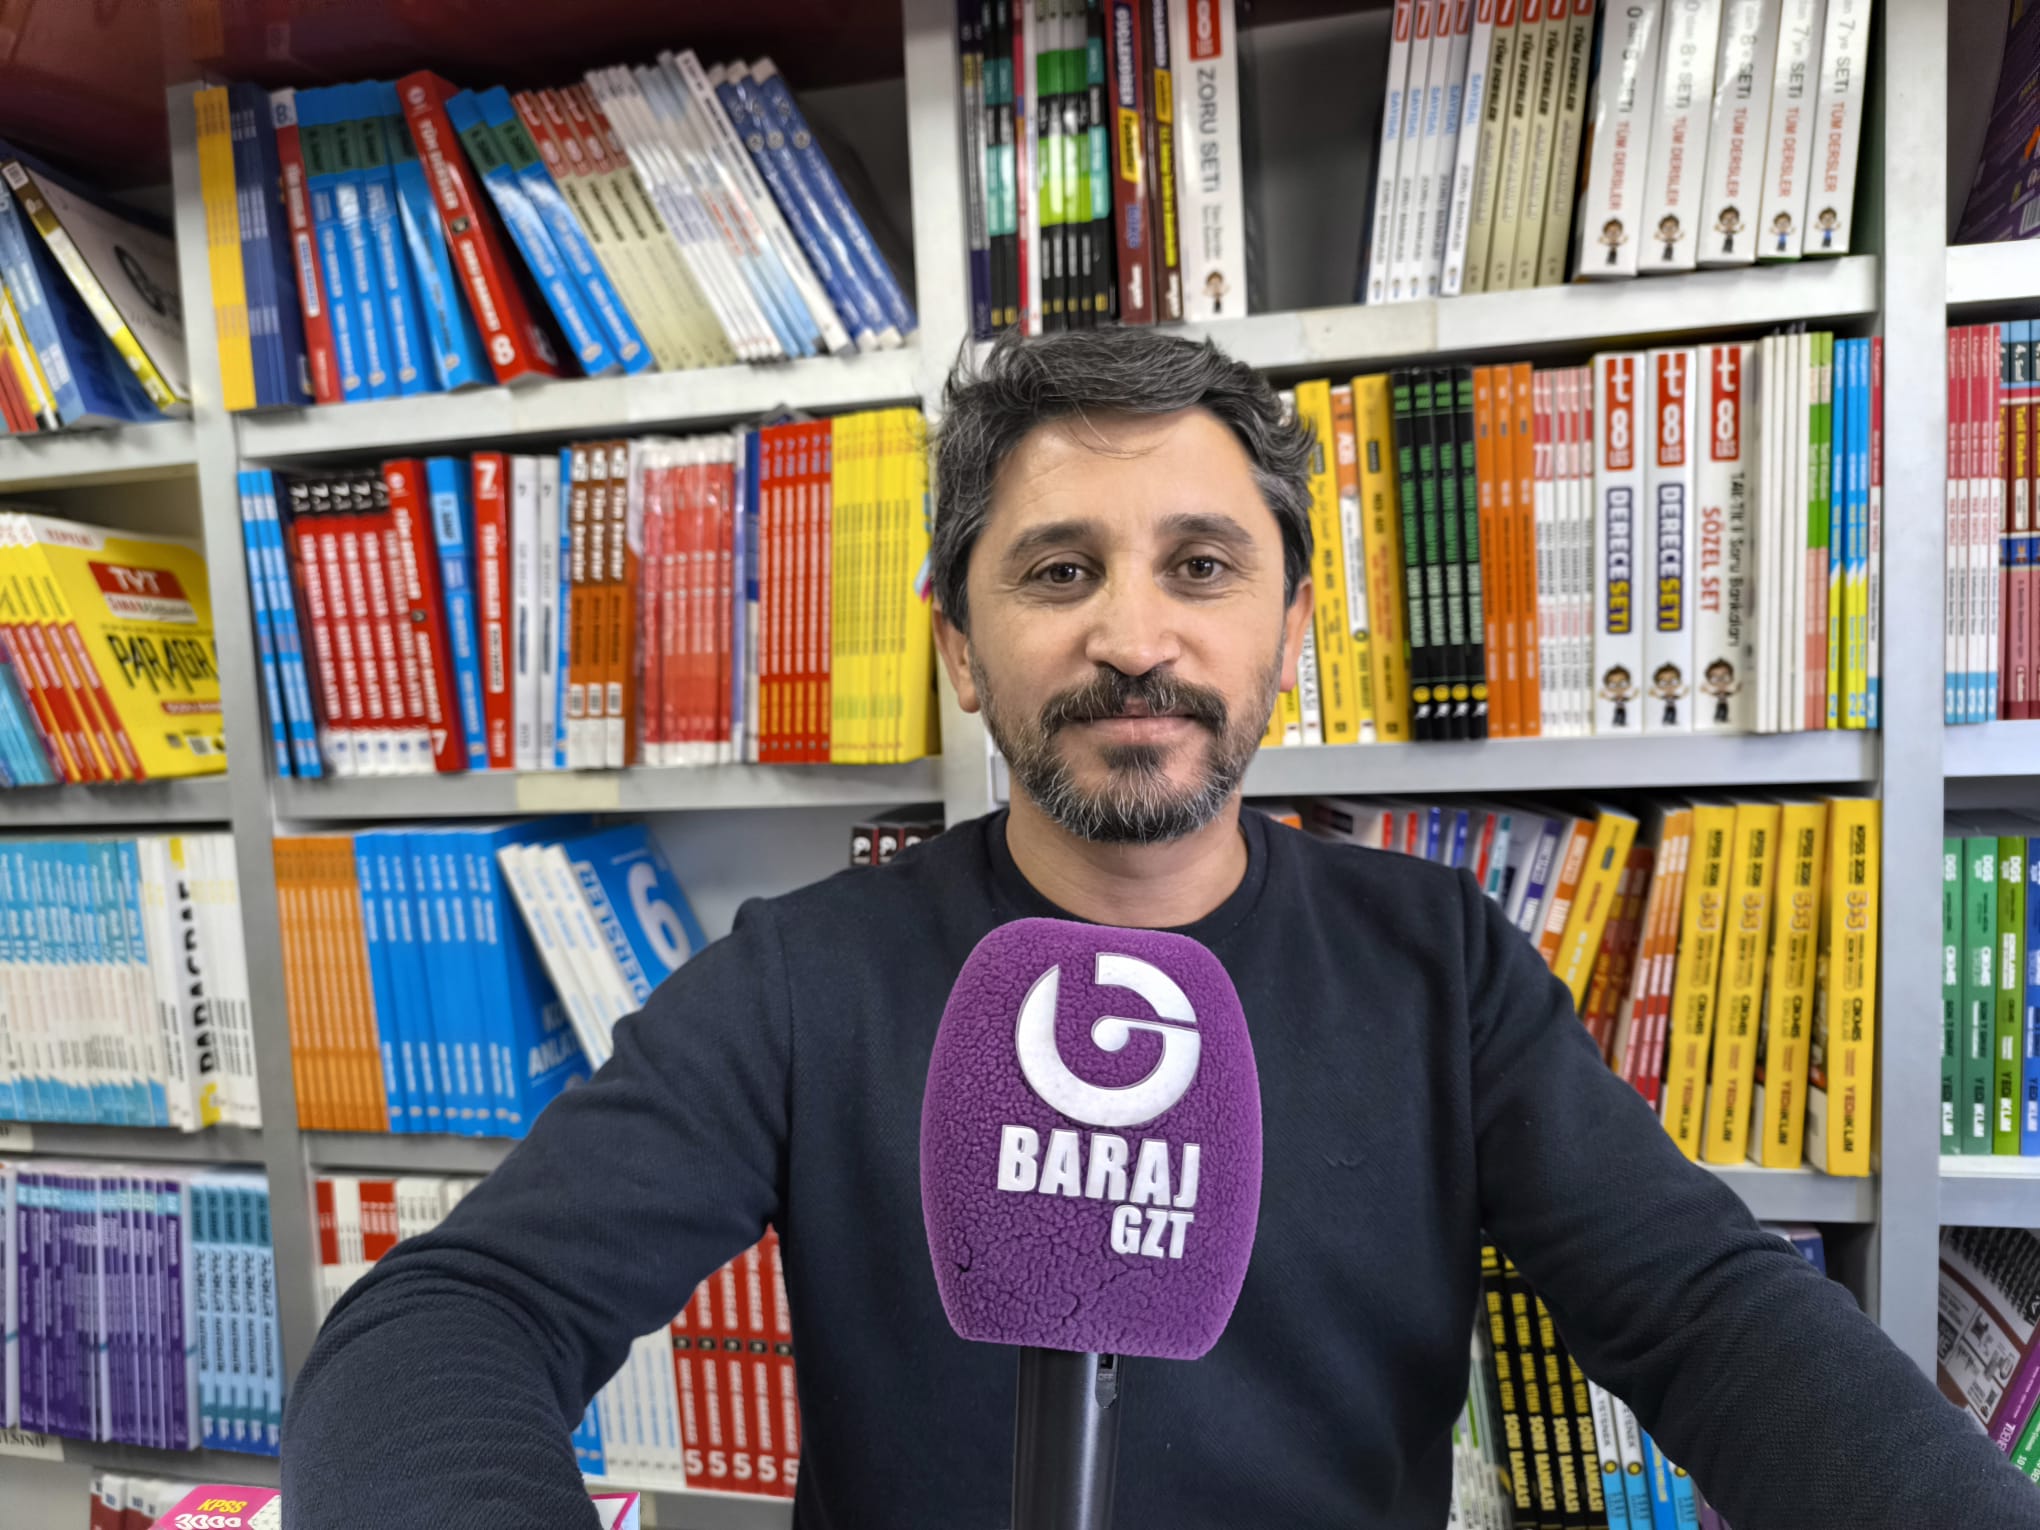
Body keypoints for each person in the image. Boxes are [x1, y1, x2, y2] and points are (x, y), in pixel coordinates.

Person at [282, 328, 2040, 1530]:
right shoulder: (807, 978)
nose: (1135, 637)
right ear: (961, 645)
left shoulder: (1441, 968)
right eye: (1060, 571)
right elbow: (457, 1312)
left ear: (1290, 623)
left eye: (1201, 565)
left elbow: (1712, 1315)